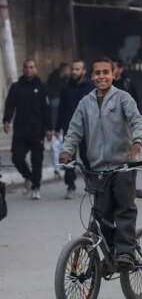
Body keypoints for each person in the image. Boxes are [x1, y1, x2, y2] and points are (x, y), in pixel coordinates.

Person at [59, 57, 142, 270]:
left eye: (106, 72)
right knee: (101, 215)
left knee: (124, 210)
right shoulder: (85, 103)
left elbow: (137, 121)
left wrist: (137, 141)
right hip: (98, 169)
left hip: (124, 166)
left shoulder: (123, 98)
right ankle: (109, 255)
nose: (101, 76)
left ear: (113, 74)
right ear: (91, 76)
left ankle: (125, 253)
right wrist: (66, 151)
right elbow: (74, 130)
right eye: (97, 73)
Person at [3, 59, 53, 199]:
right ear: (23, 69)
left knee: (37, 160)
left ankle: (36, 187)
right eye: (26, 67)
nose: (28, 70)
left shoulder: (42, 87)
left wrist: (49, 128)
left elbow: (47, 109)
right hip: (20, 130)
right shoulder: (16, 87)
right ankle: (29, 177)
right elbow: (10, 105)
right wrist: (7, 120)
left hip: (37, 130)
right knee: (17, 158)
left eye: (31, 67)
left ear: (35, 69)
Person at [56, 60, 94, 199]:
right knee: (69, 158)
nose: (74, 72)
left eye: (77, 69)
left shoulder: (90, 87)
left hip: (87, 128)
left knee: (86, 156)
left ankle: (91, 181)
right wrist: (57, 127)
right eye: (72, 69)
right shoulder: (66, 88)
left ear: (83, 71)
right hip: (70, 128)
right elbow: (61, 109)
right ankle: (70, 186)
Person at [46, 63, 69, 127]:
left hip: (59, 99)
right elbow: (52, 91)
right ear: (64, 70)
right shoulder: (54, 77)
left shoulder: (65, 78)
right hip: (54, 99)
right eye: (68, 69)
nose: (69, 71)